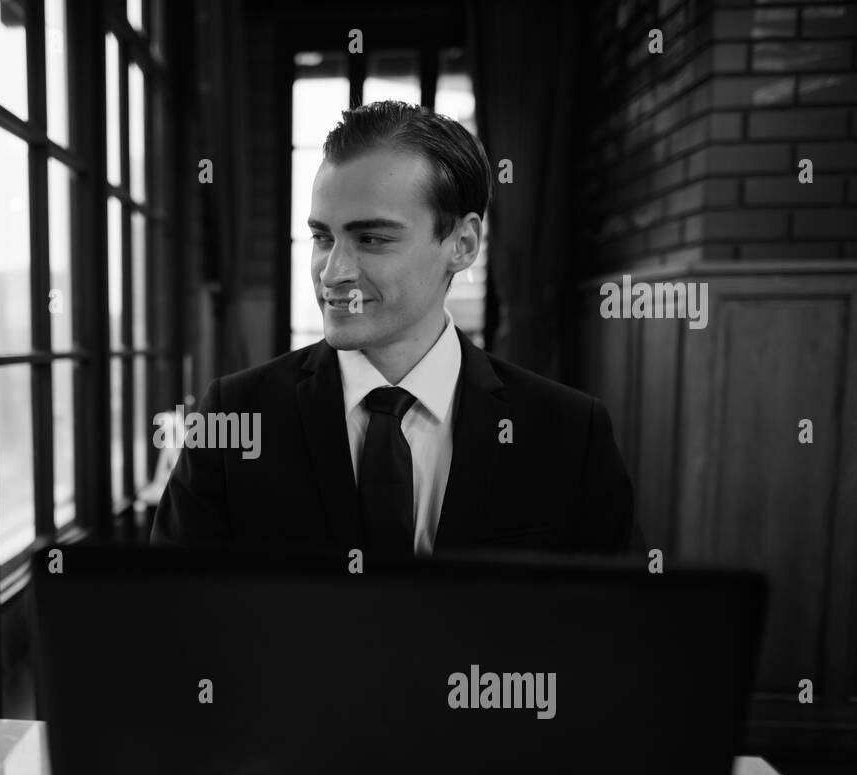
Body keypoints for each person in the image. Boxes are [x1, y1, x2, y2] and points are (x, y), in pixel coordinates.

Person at [151, 100, 644, 558]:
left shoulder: (568, 435)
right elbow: (175, 623)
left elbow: (616, 628)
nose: (332, 272)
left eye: (371, 238)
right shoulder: (230, 418)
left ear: (463, 243)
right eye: (322, 237)